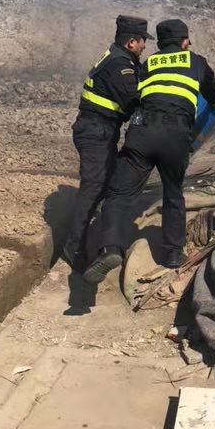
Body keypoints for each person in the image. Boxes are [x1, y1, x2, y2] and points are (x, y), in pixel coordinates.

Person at [83, 18, 215, 284]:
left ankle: (110, 248)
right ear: (184, 42)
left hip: (142, 133)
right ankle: (172, 254)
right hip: (175, 136)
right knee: (173, 192)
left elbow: (137, 96)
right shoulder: (196, 61)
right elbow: (212, 92)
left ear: (160, 43)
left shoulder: (147, 64)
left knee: (119, 193)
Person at [63, 15, 154, 269]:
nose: (144, 46)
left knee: (104, 185)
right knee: (93, 187)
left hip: (100, 129)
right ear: (131, 42)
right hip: (95, 131)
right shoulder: (119, 65)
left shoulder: (120, 58)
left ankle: (90, 237)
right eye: (142, 41)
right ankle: (74, 248)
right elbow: (133, 100)